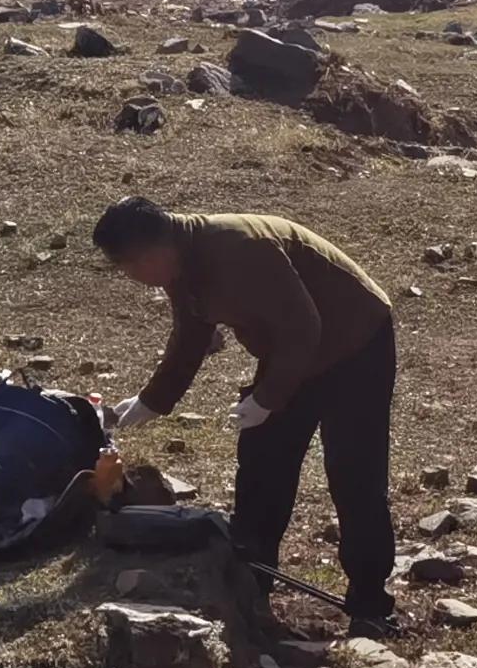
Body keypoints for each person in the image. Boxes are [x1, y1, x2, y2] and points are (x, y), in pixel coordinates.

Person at [95, 196, 401, 638]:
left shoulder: (239, 248)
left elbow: (303, 327)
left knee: (354, 473)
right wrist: (153, 401)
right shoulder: (182, 264)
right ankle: (252, 585)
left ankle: (370, 603)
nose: (132, 277)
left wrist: (267, 399)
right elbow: (192, 332)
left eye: (128, 266)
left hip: (356, 342)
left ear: (152, 251)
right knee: (262, 464)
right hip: (295, 355)